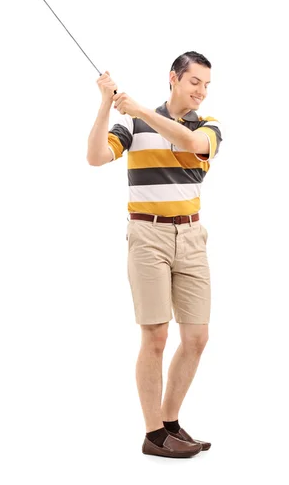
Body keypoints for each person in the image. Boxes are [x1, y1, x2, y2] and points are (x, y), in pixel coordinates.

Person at [87, 51, 223, 458]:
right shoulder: (133, 123)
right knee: (156, 335)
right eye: (194, 81)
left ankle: (169, 423)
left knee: (197, 337)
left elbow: (190, 143)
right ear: (174, 78)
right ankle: (154, 434)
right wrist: (105, 105)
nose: (200, 91)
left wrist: (141, 107)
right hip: (148, 235)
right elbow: (96, 157)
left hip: (192, 236)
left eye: (206, 84)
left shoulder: (208, 126)